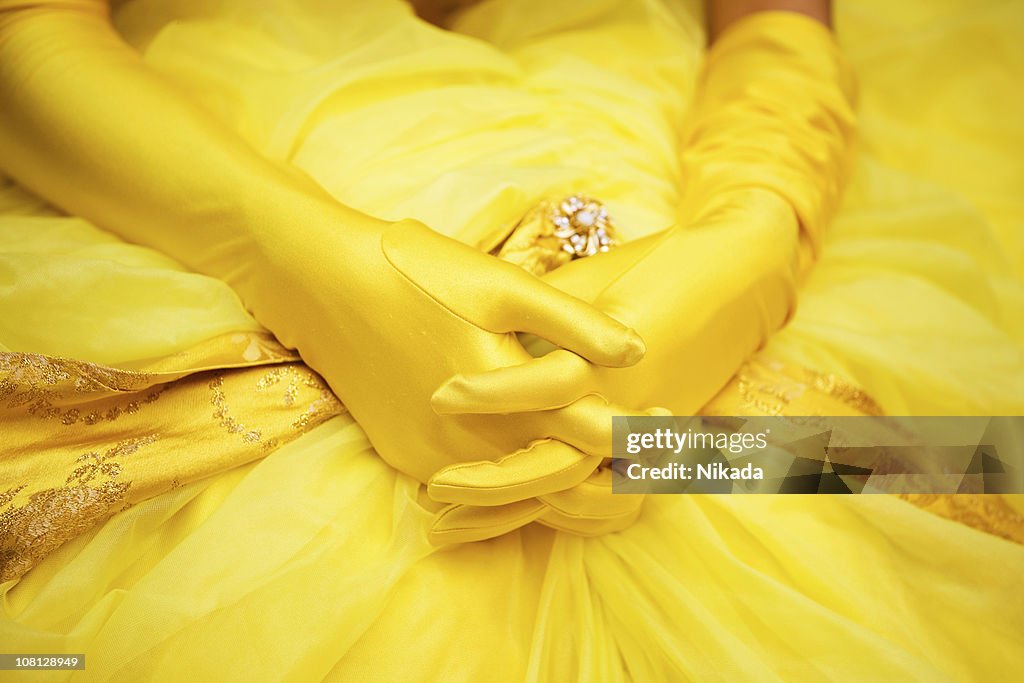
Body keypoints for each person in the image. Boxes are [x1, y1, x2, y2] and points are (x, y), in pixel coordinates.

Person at [1, 0, 1022, 679]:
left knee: (891, 485)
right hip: (172, 132)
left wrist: (759, 227)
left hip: (668, 112)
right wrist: (293, 252)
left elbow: (771, 11)